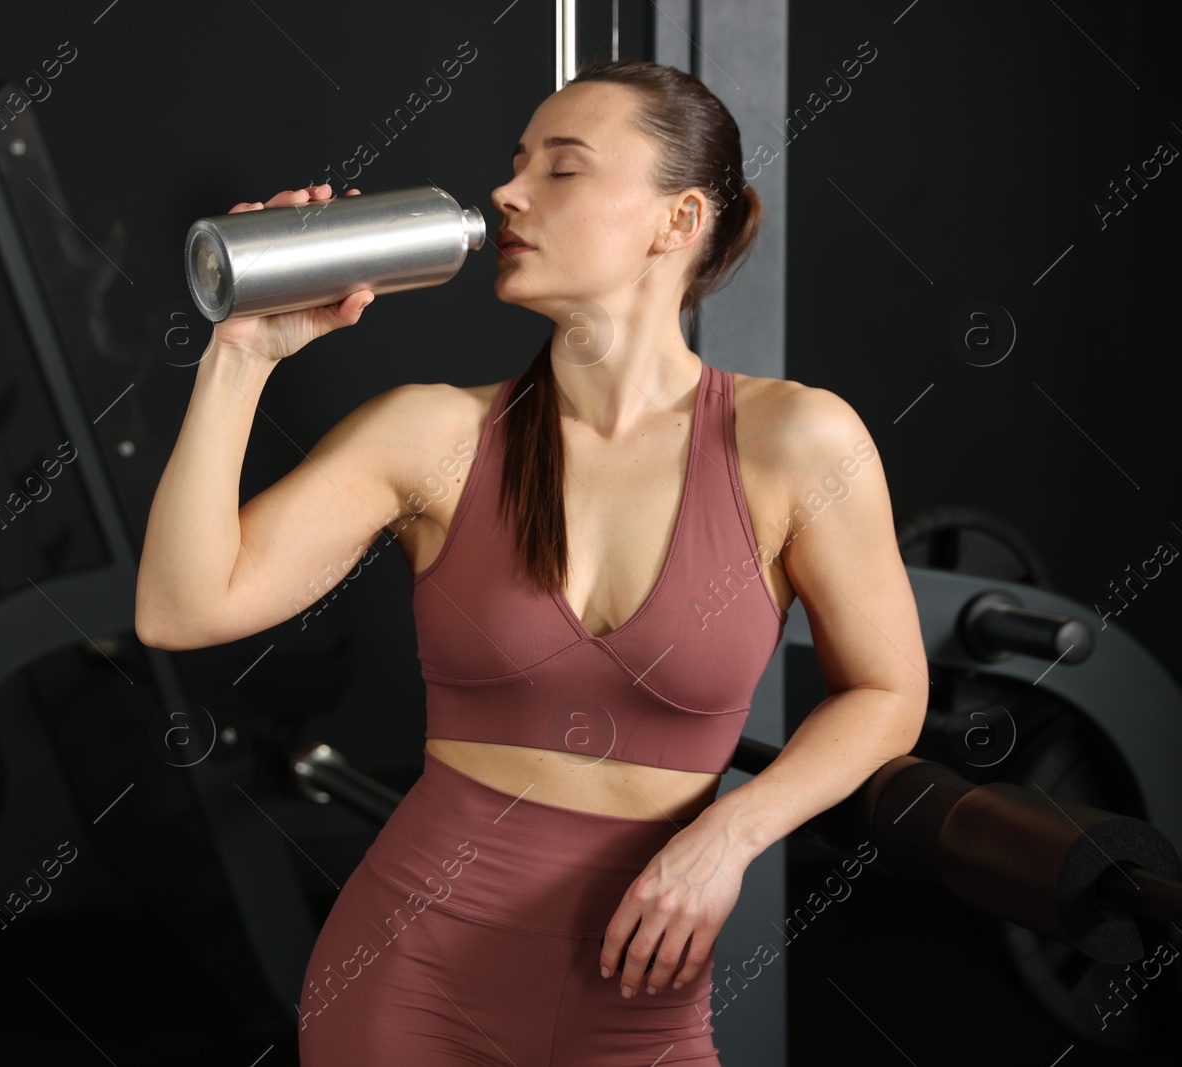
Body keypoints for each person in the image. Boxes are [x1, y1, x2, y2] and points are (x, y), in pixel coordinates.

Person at [136, 59, 927, 1067]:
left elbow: (888, 690)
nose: (507, 192)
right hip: (406, 980)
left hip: (639, 1002)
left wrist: (730, 833)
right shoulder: (431, 435)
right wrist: (241, 355)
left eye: (561, 169)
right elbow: (179, 608)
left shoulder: (796, 442)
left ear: (677, 220)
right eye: (515, 165)